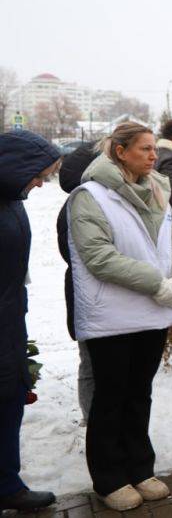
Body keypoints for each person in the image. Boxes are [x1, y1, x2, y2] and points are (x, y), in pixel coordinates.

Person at [67, 122, 172, 511]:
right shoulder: (90, 196)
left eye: (154, 148)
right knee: (111, 397)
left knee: (140, 394)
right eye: (144, 149)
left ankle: (140, 468)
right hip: (112, 317)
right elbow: (98, 256)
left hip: (151, 315)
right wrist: (157, 282)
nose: (154, 155)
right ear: (120, 152)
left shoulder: (157, 190)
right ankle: (109, 478)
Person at [0, 130, 60, 513]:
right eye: (37, 174)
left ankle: (7, 483)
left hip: (9, 319)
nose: (40, 182)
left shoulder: (13, 201)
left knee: (9, 401)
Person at [56, 141, 100, 424]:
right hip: (89, 296)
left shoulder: (74, 205)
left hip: (83, 294)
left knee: (91, 364)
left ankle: (95, 420)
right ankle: (94, 421)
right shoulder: (80, 206)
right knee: (93, 365)